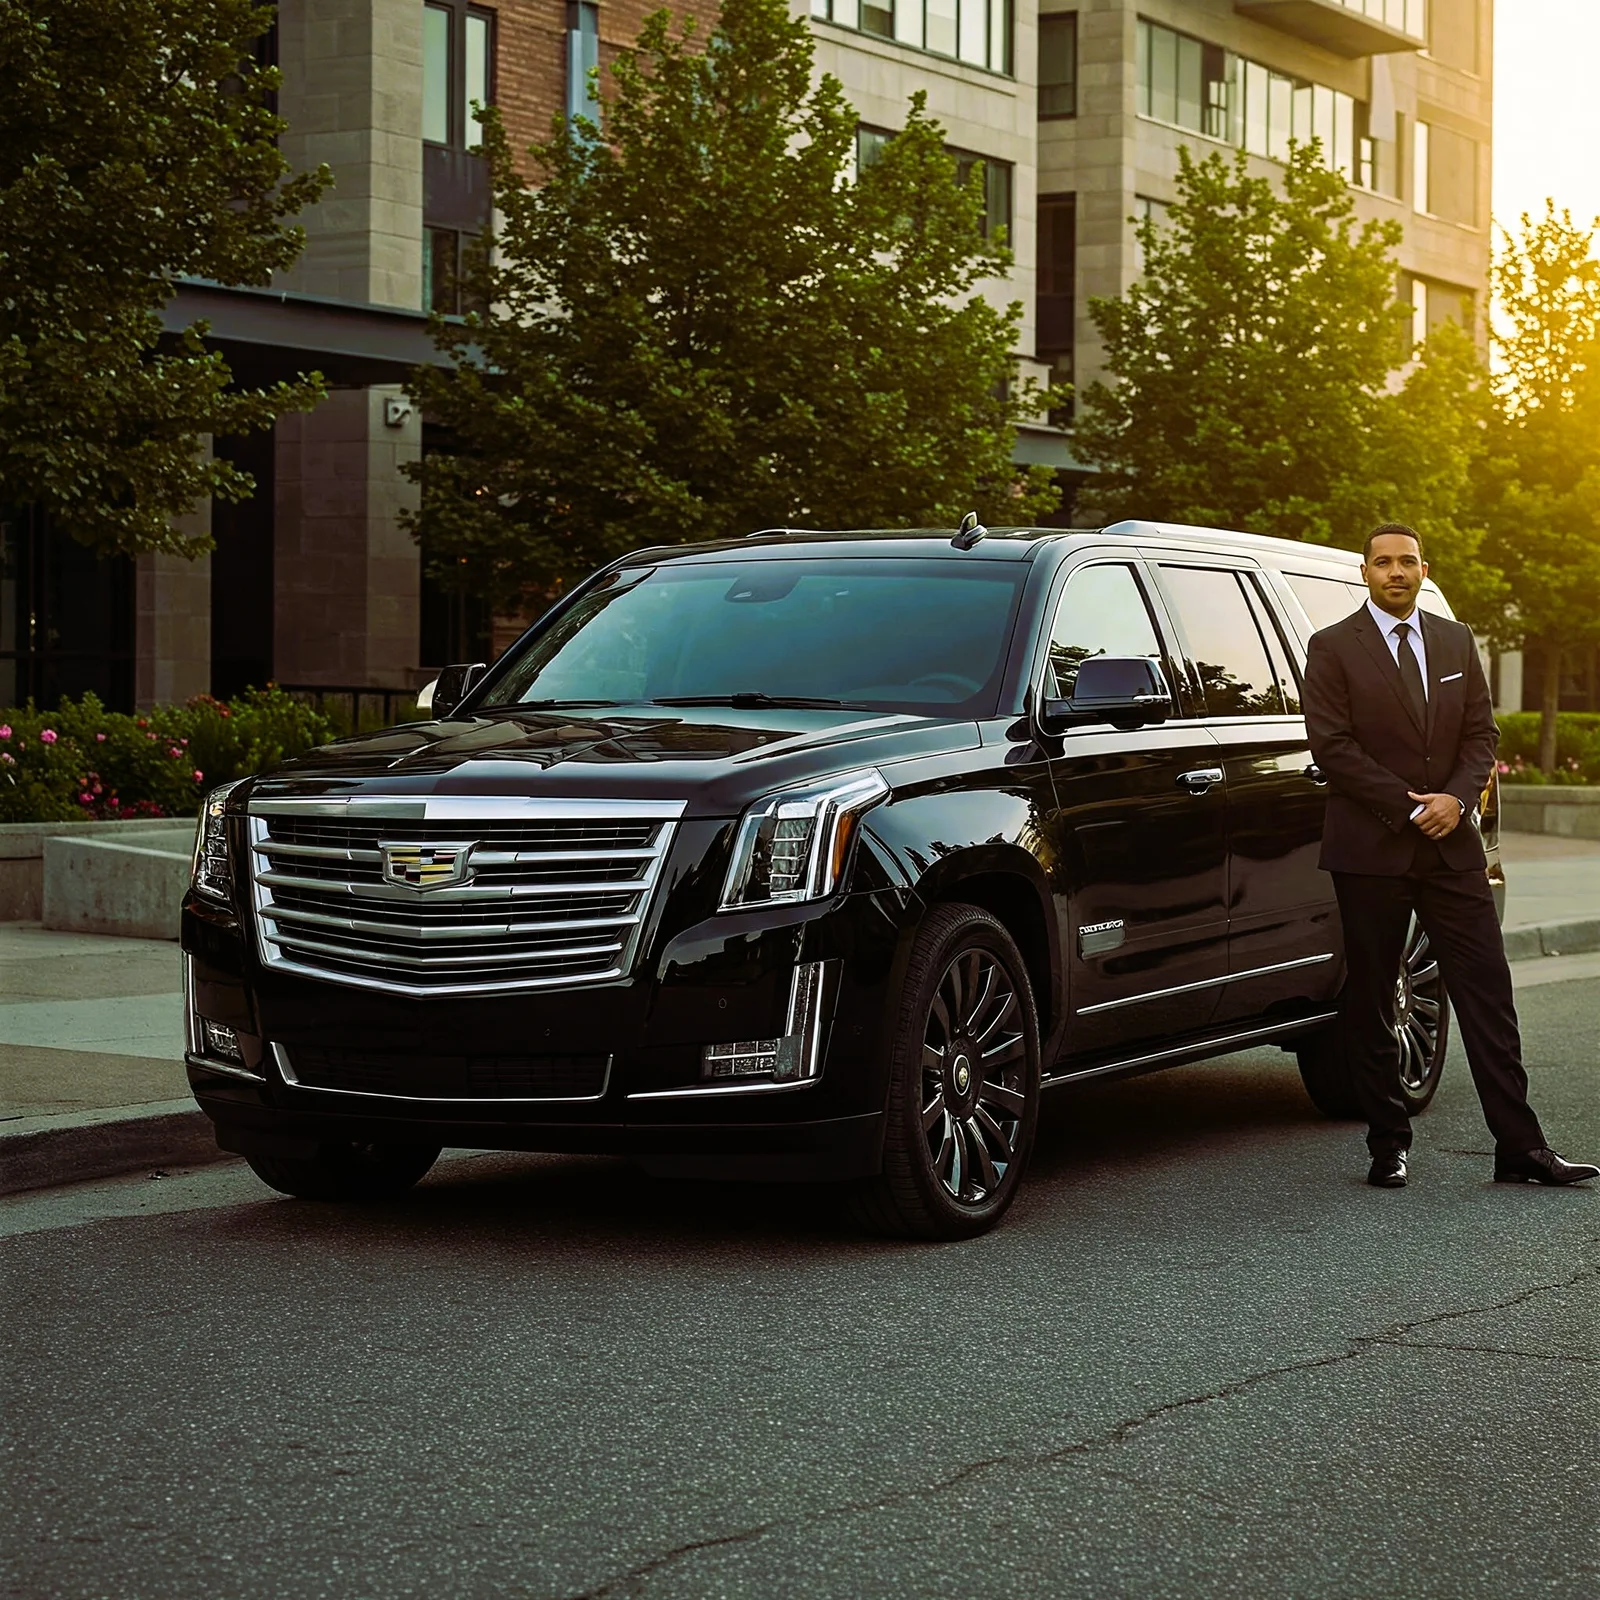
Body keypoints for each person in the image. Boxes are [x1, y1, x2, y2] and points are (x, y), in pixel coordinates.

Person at [1301, 522, 1597, 1189]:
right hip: (1371, 850)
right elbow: (1333, 747)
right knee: (1375, 996)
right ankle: (1388, 1146)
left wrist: (1456, 802)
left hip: (1452, 848)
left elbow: (1481, 734)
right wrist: (1411, 805)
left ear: (1424, 570)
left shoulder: (1456, 640)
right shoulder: (1331, 648)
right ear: (1365, 571)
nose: (1396, 572)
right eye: (1384, 563)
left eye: (1408, 562)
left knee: (1489, 995)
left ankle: (1521, 1148)